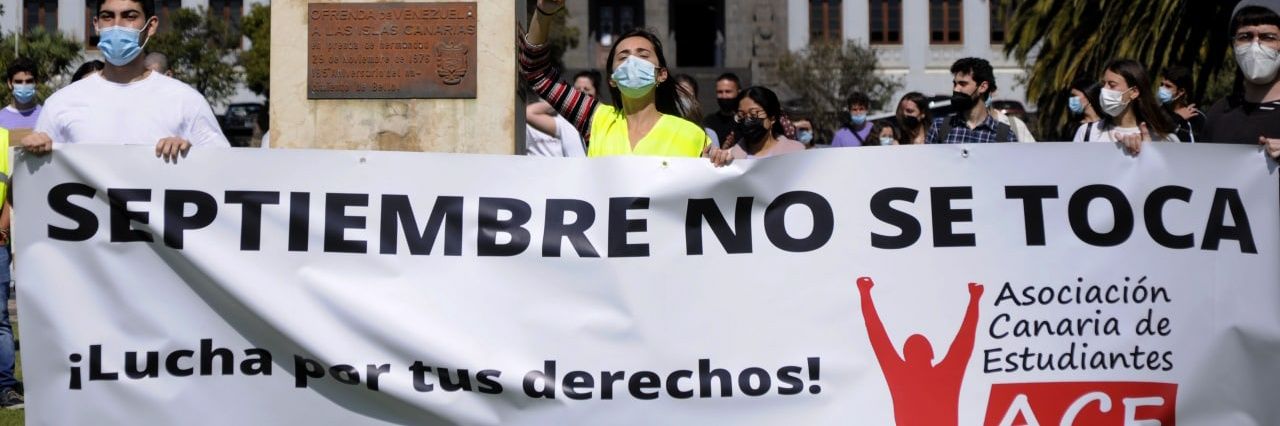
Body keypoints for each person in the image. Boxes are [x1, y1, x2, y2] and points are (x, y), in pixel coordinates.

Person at [21, 0, 230, 160]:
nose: (117, 25)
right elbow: (36, 182)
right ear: (96, 24)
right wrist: (33, 149)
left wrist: (190, 155)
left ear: (151, 26)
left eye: (129, 16)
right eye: (107, 16)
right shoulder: (61, 103)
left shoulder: (186, 101)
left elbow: (224, 171)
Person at [521, 0, 714, 159]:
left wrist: (721, 163)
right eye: (623, 57)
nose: (632, 62)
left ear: (661, 74)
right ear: (613, 79)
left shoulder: (693, 136)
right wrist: (544, 13)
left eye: (643, 55)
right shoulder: (596, 120)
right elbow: (537, 72)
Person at [858, 277, 983, 426]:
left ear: (906, 356)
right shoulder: (946, 374)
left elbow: (878, 337)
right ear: (931, 353)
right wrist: (974, 299)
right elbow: (965, 340)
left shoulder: (899, 376)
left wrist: (865, 293)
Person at [1204, 0, 1280, 161]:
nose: (1255, 46)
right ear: (1234, 45)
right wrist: (1149, 153)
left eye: (1268, 37)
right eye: (1245, 37)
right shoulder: (1218, 112)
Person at [1071, 59, 1179, 151]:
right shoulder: (1087, 132)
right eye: (1103, 84)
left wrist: (1148, 152)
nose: (1104, 90)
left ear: (1134, 92)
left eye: (1112, 85)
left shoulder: (1164, 139)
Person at [926, 58, 1017, 144]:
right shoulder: (939, 127)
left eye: (963, 84)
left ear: (982, 87)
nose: (956, 89)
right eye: (955, 84)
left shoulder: (1005, 135)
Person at [723, 86, 805, 159]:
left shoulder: (796, 153)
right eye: (741, 115)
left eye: (754, 114)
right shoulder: (730, 158)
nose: (747, 120)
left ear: (772, 118)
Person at [0, 127, 16, 410]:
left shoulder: (3, 137)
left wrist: (2, 228)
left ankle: (5, 387)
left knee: (0, 320)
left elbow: (13, 188)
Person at [1159, 65, 1205, 142]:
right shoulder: (1155, 112)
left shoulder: (1197, 118)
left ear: (1181, 91)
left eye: (1168, 86)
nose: (1162, 89)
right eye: (1161, 85)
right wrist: (1178, 117)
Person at [672, 73, 720, 144]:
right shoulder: (660, 130)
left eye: (686, 95)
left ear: (695, 102)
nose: (682, 101)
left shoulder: (709, 135)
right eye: (678, 95)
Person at [0, 58, 42, 131]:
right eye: (18, 82)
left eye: (29, 81)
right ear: (10, 83)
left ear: (36, 82)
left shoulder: (45, 115)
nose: (24, 85)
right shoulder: (1, 118)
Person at [702, 72, 741, 147]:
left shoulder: (744, 121)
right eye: (720, 92)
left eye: (728, 91)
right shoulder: (709, 122)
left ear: (738, 92)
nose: (724, 96)